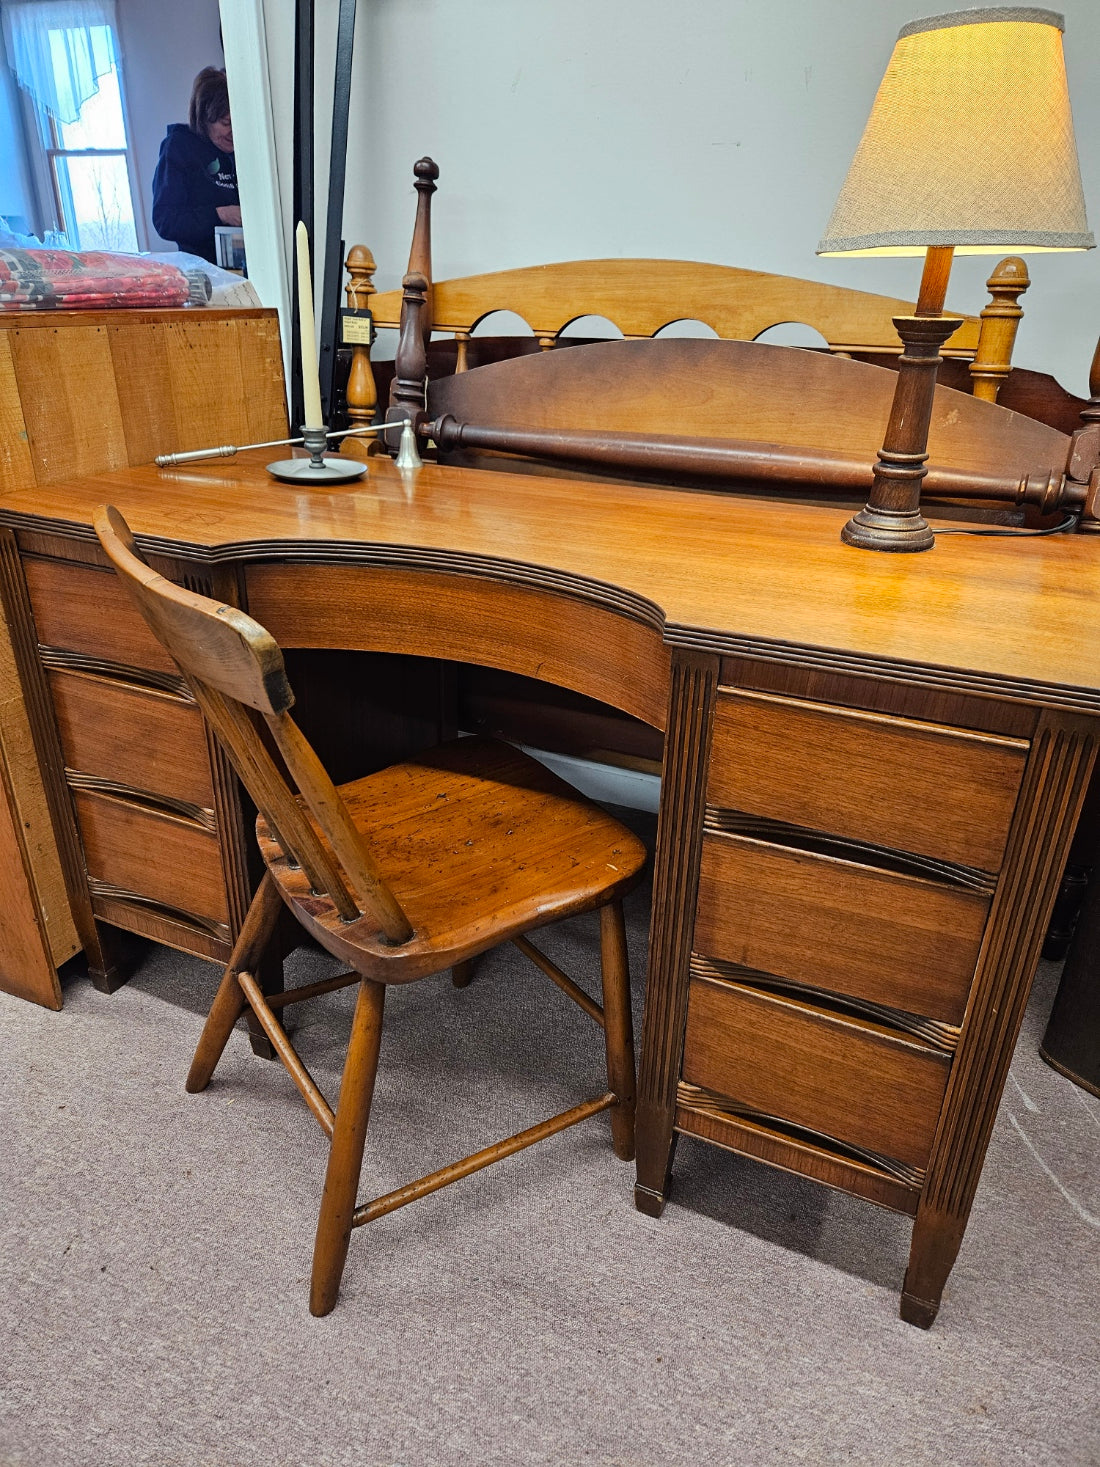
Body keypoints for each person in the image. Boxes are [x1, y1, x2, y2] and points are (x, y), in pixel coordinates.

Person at [151, 67, 240, 264]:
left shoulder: (243, 149)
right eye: (226, 123)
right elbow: (165, 221)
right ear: (204, 117)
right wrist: (221, 214)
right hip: (203, 272)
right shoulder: (179, 147)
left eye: (239, 122)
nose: (234, 132)